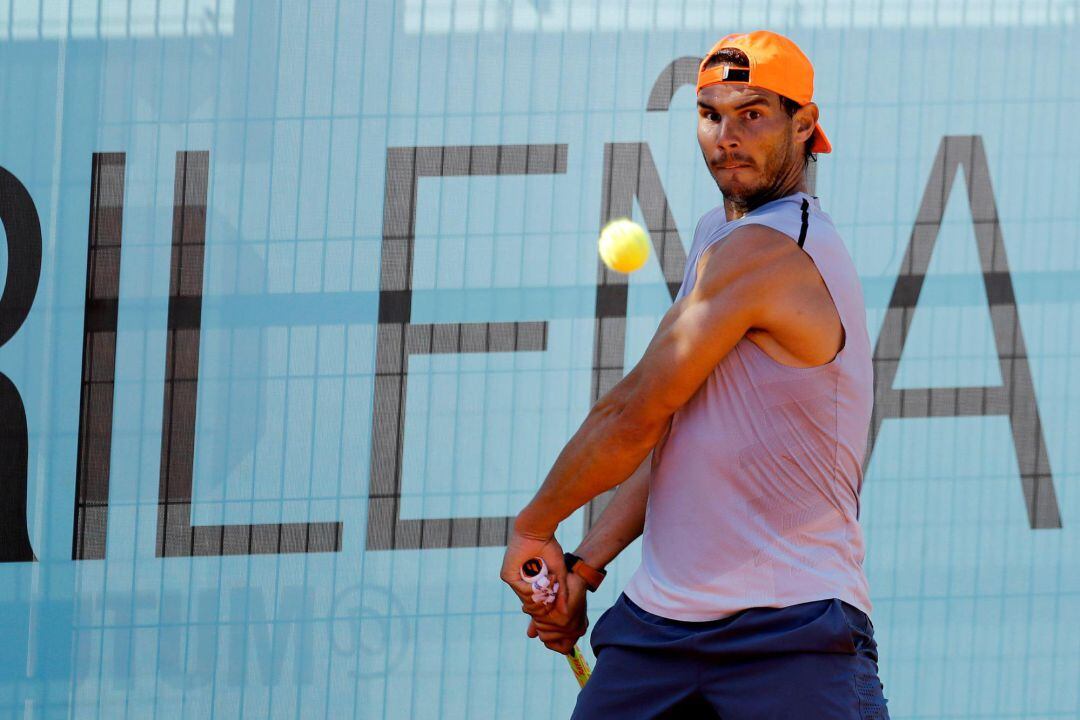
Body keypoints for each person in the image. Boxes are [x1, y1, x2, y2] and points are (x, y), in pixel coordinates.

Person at [500, 30, 890, 719]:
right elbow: (683, 429)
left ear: (804, 126)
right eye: (711, 114)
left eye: (752, 113)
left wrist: (534, 527)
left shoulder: (772, 250)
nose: (727, 135)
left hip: (791, 633)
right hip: (657, 635)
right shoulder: (719, 232)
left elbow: (634, 413)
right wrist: (586, 566)